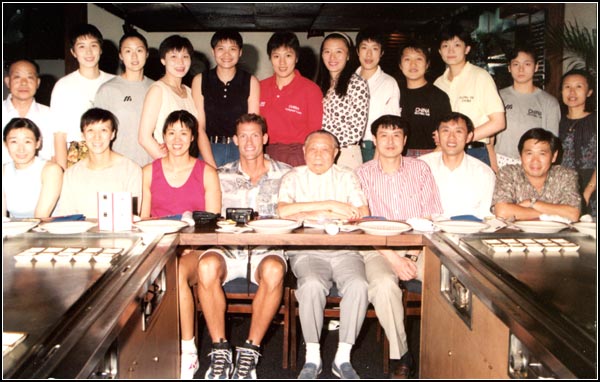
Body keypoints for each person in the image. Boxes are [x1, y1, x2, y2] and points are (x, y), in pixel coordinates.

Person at [179, 114, 291, 379]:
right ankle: (220, 350)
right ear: (234, 140)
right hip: (227, 251)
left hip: (267, 251)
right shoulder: (219, 174)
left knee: (274, 270)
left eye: (255, 135)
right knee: (206, 266)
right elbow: (200, 213)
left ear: (265, 138)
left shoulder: (287, 174)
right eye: (243, 136)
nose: (249, 142)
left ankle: (250, 350)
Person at [355, 115, 442, 379]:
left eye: (396, 136)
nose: (390, 141)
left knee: (449, 282)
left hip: (419, 246)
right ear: (374, 140)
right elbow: (362, 222)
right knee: (383, 284)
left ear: (405, 141)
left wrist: (413, 254)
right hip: (378, 249)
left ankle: (447, 348)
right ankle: (402, 355)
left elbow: (430, 215)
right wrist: (393, 258)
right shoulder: (361, 173)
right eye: (384, 135)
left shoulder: (421, 169)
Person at [278, 130, 370, 379]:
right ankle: (312, 356)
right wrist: (331, 205)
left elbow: (361, 212)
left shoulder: (346, 176)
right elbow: (283, 211)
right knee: (310, 285)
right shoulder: (293, 176)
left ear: (336, 153)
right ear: (304, 151)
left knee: (359, 285)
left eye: (325, 150)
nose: (318, 155)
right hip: (307, 252)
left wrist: (306, 213)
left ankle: (343, 357)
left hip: (345, 250)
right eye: (313, 149)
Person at [433, 23, 505, 169]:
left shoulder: (481, 77)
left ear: (467, 49)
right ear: (440, 51)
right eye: (446, 46)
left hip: (474, 152)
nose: (451, 50)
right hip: (445, 154)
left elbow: (498, 122)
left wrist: (463, 139)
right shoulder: (438, 83)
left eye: (457, 45)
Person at [138, 34, 216, 168]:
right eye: (173, 57)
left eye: (185, 57)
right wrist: (172, 165)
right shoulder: (157, 90)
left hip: (190, 164)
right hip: (169, 168)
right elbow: (144, 138)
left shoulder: (190, 91)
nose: (180, 63)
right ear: (163, 60)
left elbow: (198, 132)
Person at [56, 108, 141, 219]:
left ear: (112, 134)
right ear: (82, 135)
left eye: (103, 130)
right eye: (91, 130)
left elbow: (131, 217)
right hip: (81, 235)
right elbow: (68, 217)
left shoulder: (131, 170)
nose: (97, 137)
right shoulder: (71, 174)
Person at [51, 23, 115, 170]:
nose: (88, 52)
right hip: (77, 153)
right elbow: (59, 135)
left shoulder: (114, 82)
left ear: (101, 49)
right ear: (73, 52)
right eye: (81, 46)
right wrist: (63, 172)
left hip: (110, 151)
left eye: (93, 45)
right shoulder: (63, 86)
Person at [191, 30, 260, 167]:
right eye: (221, 49)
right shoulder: (200, 80)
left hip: (240, 149)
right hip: (209, 148)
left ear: (240, 52)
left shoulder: (251, 81)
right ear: (213, 51)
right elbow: (199, 127)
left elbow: (252, 127)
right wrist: (210, 163)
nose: (226, 54)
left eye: (232, 49)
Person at [140, 109, 221, 218]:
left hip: (195, 234)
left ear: (192, 137)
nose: (177, 139)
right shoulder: (148, 172)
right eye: (171, 133)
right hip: (160, 234)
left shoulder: (208, 174)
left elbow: (212, 222)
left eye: (183, 133)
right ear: (164, 136)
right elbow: (143, 220)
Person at [260, 31, 323, 166]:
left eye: (288, 55)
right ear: (270, 58)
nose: (282, 62)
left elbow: (314, 134)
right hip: (264, 155)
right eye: (276, 56)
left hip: (297, 156)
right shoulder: (259, 87)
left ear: (296, 58)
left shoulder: (311, 90)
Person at [492, 128, 581, 223]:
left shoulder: (565, 175)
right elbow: (502, 211)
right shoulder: (508, 173)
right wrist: (549, 214)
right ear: (520, 155)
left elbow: (573, 214)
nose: (535, 160)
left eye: (542, 154)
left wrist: (532, 203)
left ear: (554, 156)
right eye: (529, 153)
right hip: (516, 235)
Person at [94, 29, 154, 167]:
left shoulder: (157, 88)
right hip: (118, 166)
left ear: (147, 53)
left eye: (139, 50)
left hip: (151, 165)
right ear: (120, 55)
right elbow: (98, 131)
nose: (134, 57)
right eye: (128, 51)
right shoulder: (108, 89)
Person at [420, 112, 495, 220]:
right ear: (437, 135)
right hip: (429, 232)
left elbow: (486, 215)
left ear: (469, 137)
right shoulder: (421, 166)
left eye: (458, 131)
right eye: (446, 131)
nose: (451, 137)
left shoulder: (483, 172)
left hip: (469, 232)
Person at [496, 45, 561, 165]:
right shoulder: (497, 97)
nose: (521, 69)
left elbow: (551, 143)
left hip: (534, 164)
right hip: (500, 161)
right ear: (509, 67)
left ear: (536, 67)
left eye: (527, 64)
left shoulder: (549, 103)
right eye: (516, 64)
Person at [317, 32, 369, 169]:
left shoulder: (357, 84)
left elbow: (355, 132)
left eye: (338, 52)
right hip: (321, 153)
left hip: (345, 154)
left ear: (348, 56)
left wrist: (324, 142)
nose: (332, 57)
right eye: (327, 51)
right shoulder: (319, 85)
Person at [398, 40, 452, 157]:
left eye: (419, 59)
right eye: (407, 59)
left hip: (431, 155)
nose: (413, 64)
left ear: (427, 65)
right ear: (400, 65)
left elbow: (446, 133)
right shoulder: (395, 93)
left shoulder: (438, 96)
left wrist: (429, 161)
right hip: (398, 155)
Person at [355, 28, 400, 162]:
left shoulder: (389, 83)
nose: (369, 54)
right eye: (364, 48)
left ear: (381, 53)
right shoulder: (347, 81)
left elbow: (392, 123)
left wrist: (378, 155)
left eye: (374, 49)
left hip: (375, 148)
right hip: (351, 149)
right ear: (357, 51)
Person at [2, 118, 63, 218]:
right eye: (14, 142)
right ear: (5, 144)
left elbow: (40, 218)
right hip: (14, 231)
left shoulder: (51, 170)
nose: (21, 149)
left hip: (46, 231)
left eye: (27, 142)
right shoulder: (4, 171)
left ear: (37, 143)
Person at [558, 69, 596, 218]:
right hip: (563, 189)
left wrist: (588, 191)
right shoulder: (557, 121)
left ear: (589, 92)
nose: (572, 92)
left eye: (578, 86)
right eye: (567, 87)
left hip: (592, 188)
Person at [2, 59, 54, 164]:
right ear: (7, 82)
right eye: (17, 77)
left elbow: (55, 156)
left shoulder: (51, 115)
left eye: (30, 77)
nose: (24, 82)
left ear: (38, 82)